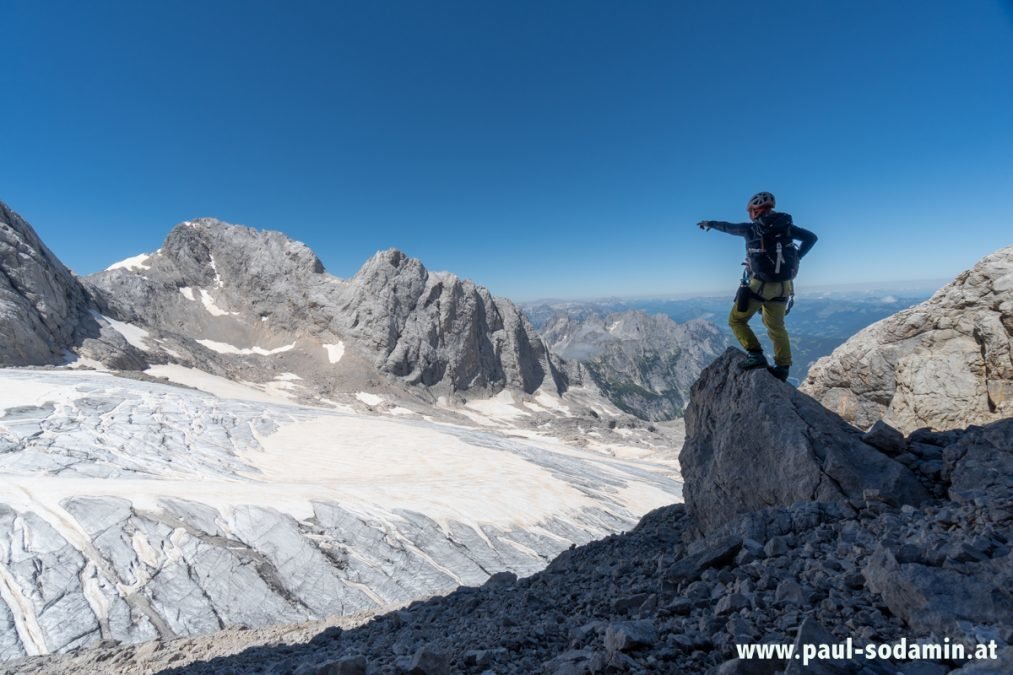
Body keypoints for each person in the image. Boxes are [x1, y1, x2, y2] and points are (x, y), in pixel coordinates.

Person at [697, 191, 817, 381]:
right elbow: (812, 238)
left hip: (761, 285)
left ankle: (756, 355)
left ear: (754, 211)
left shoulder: (750, 229)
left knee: (736, 320)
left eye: (750, 212)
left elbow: (728, 227)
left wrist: (709, 223)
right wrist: (797, 256)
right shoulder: (787, 227)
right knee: (777, 327)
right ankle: (783, 368)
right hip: (785, 286)